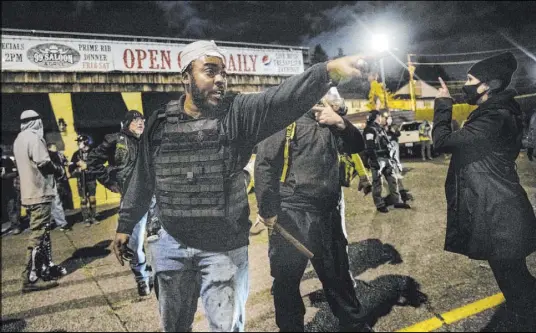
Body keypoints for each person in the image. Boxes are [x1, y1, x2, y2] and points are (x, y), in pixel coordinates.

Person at [112, 40, 372, 332]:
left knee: (228, 327)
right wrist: (126, 224)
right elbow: (144, 176)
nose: (220, 80)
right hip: (172, 243)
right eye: (210, 72)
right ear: (185, 76)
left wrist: (327, 71)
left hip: (223, 246)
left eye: (224, 73)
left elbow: (279, 99)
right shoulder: (160, 122)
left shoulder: (237, 112)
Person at [433, 52, 536, 330]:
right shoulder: (495, 114)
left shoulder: (494, 117)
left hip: (500, 214)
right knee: (513, 277)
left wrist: (443, 105)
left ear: (487, 85)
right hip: (498, 210)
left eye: (470, 79)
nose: (464, 85)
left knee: (514, 280)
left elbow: (442, 142)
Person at [254, 93, 371, 331]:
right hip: (292, 214)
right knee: (286, 281)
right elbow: (265, 164)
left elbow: (357, 145)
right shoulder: (284, 119)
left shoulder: (330, 121)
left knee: (338, 276)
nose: (334, 98)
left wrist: (339, 122)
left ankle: (354, 325)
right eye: (328, 93)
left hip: (328, 213)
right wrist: (267, 210)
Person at [87, 110, 154, 297]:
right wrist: (110, 182)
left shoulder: (149, 140)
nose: (140, 123)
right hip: (132, 199)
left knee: (159, 240)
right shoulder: (115, 139)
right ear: (126, 124)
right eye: (135, 120)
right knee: (134, 243)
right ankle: (142, 279)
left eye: (142, 119)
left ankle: (156, 275)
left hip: (155, 198)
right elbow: (93, 161)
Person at [13, 110, 67, 292]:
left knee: (42, 234)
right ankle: (29, 278)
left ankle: (43, 270)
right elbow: (44, 163)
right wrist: (59, 170)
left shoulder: (18, 139)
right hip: (39, 193)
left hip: (28, 194)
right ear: (36, 122)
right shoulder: (34, 138)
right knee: (38, 235)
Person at [364, 111, 411, 213]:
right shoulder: (369, 129)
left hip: (386, 158)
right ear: (377, 117)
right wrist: (374, 160)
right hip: (378, 159)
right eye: (380, 116)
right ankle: (379, 204)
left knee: (392, 180)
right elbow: (369, 146)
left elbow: (388, 140)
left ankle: (397, 201)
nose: (382, 118)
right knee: (377, 183)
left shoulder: (380, 128)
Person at [69, 135, 98, 227]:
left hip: (91, 179)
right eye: (78, 142)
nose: (78, 143)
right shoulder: (76, 154)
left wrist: (87, 166)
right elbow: (71, 168)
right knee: (83, 199)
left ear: (86, 142)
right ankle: (86, 219)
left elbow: (97, 165)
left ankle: (93, 217)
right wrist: (77, 169)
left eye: (80, 142)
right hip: (81, 180)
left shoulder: (93, 153)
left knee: (92, 199)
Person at [47, 143, 69, 231]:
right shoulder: (51, 155)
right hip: (53, 179)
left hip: (51, 179)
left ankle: (58, 222)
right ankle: (61, 223)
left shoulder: (55, 155)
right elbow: (58, 167)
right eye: (54, 147)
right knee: (56, 201)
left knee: (54, 201)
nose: (55, 148)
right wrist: (62, 171)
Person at [1, 147, 22, 234]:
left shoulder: (7, 161)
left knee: (12, 207)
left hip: (8, 188)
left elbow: (15, 172)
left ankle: (15, 226)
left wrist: (6, 176)